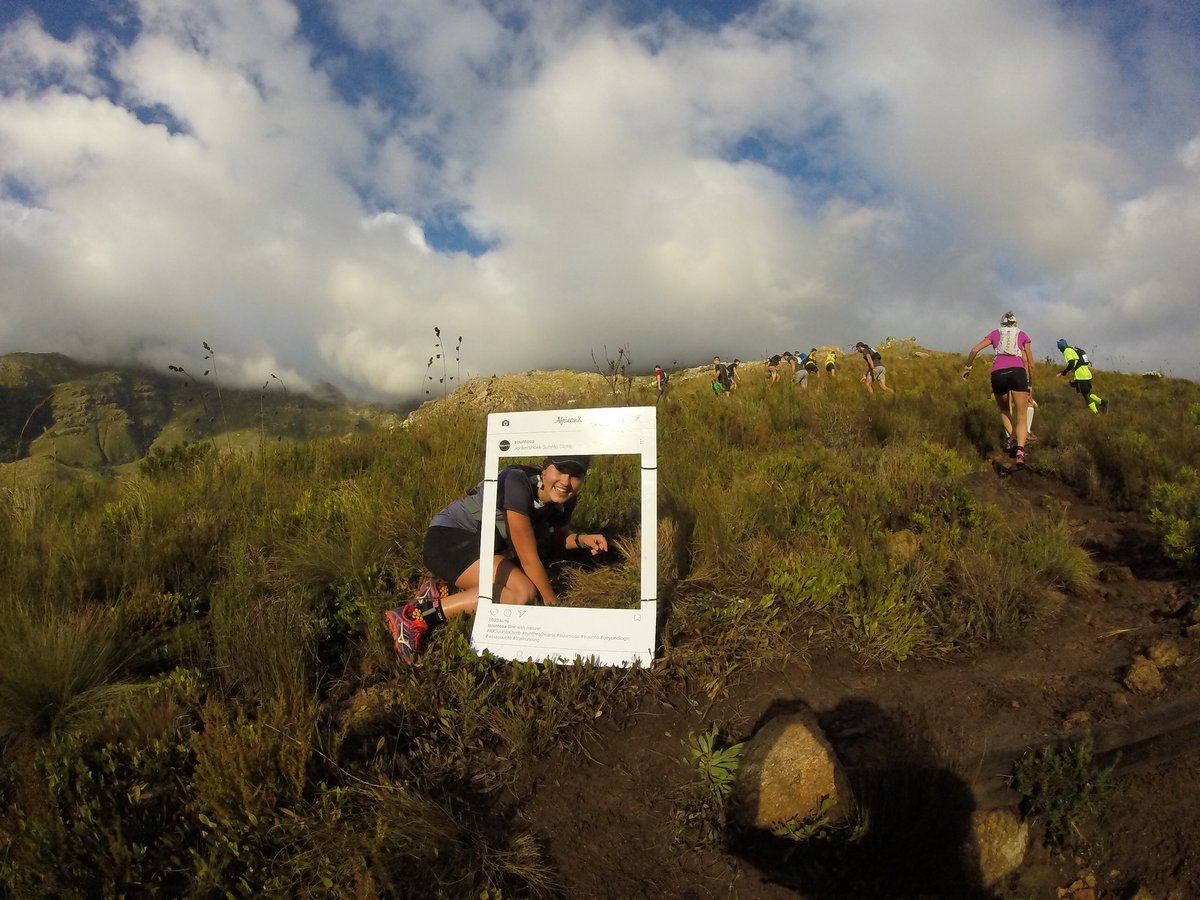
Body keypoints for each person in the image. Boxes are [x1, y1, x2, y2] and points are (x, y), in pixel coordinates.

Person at [387, 455, 608, 662]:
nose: (566, 482)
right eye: (560, 470)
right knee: (522, 594)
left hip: (483, 545)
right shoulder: (516, 482)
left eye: (575, 475)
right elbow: (529, 558)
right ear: (545, 468)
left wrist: (582, 539)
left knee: (522, 588)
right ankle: (415, 616)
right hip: (449, 541)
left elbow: (557, 536)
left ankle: (443, 586)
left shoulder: (565, 498)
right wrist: (554, 610)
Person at [962, 311, 1035, 466]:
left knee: (1004, 410)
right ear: (1015, 323)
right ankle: (1020, 453)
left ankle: (1012, 437)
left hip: (998, 373)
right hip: (1017, 372)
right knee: (1022, 416)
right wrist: (1030, 384)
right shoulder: (1022, 335)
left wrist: (968, 367)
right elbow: (1031, 364)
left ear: (1002, 323)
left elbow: (974, 350)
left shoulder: (995, 333)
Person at [1055, 339, 1107, 414]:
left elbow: (1071, 363)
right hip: (1087, 373)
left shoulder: (1067, 351)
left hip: (1080, 375)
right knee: (1088, 392)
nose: (1060, 350)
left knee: (1085, 395)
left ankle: (1096, 413)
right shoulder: (1074, 349)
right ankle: (1102, 402)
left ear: (1061, 347)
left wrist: (1064, 372)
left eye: (1059, 348)